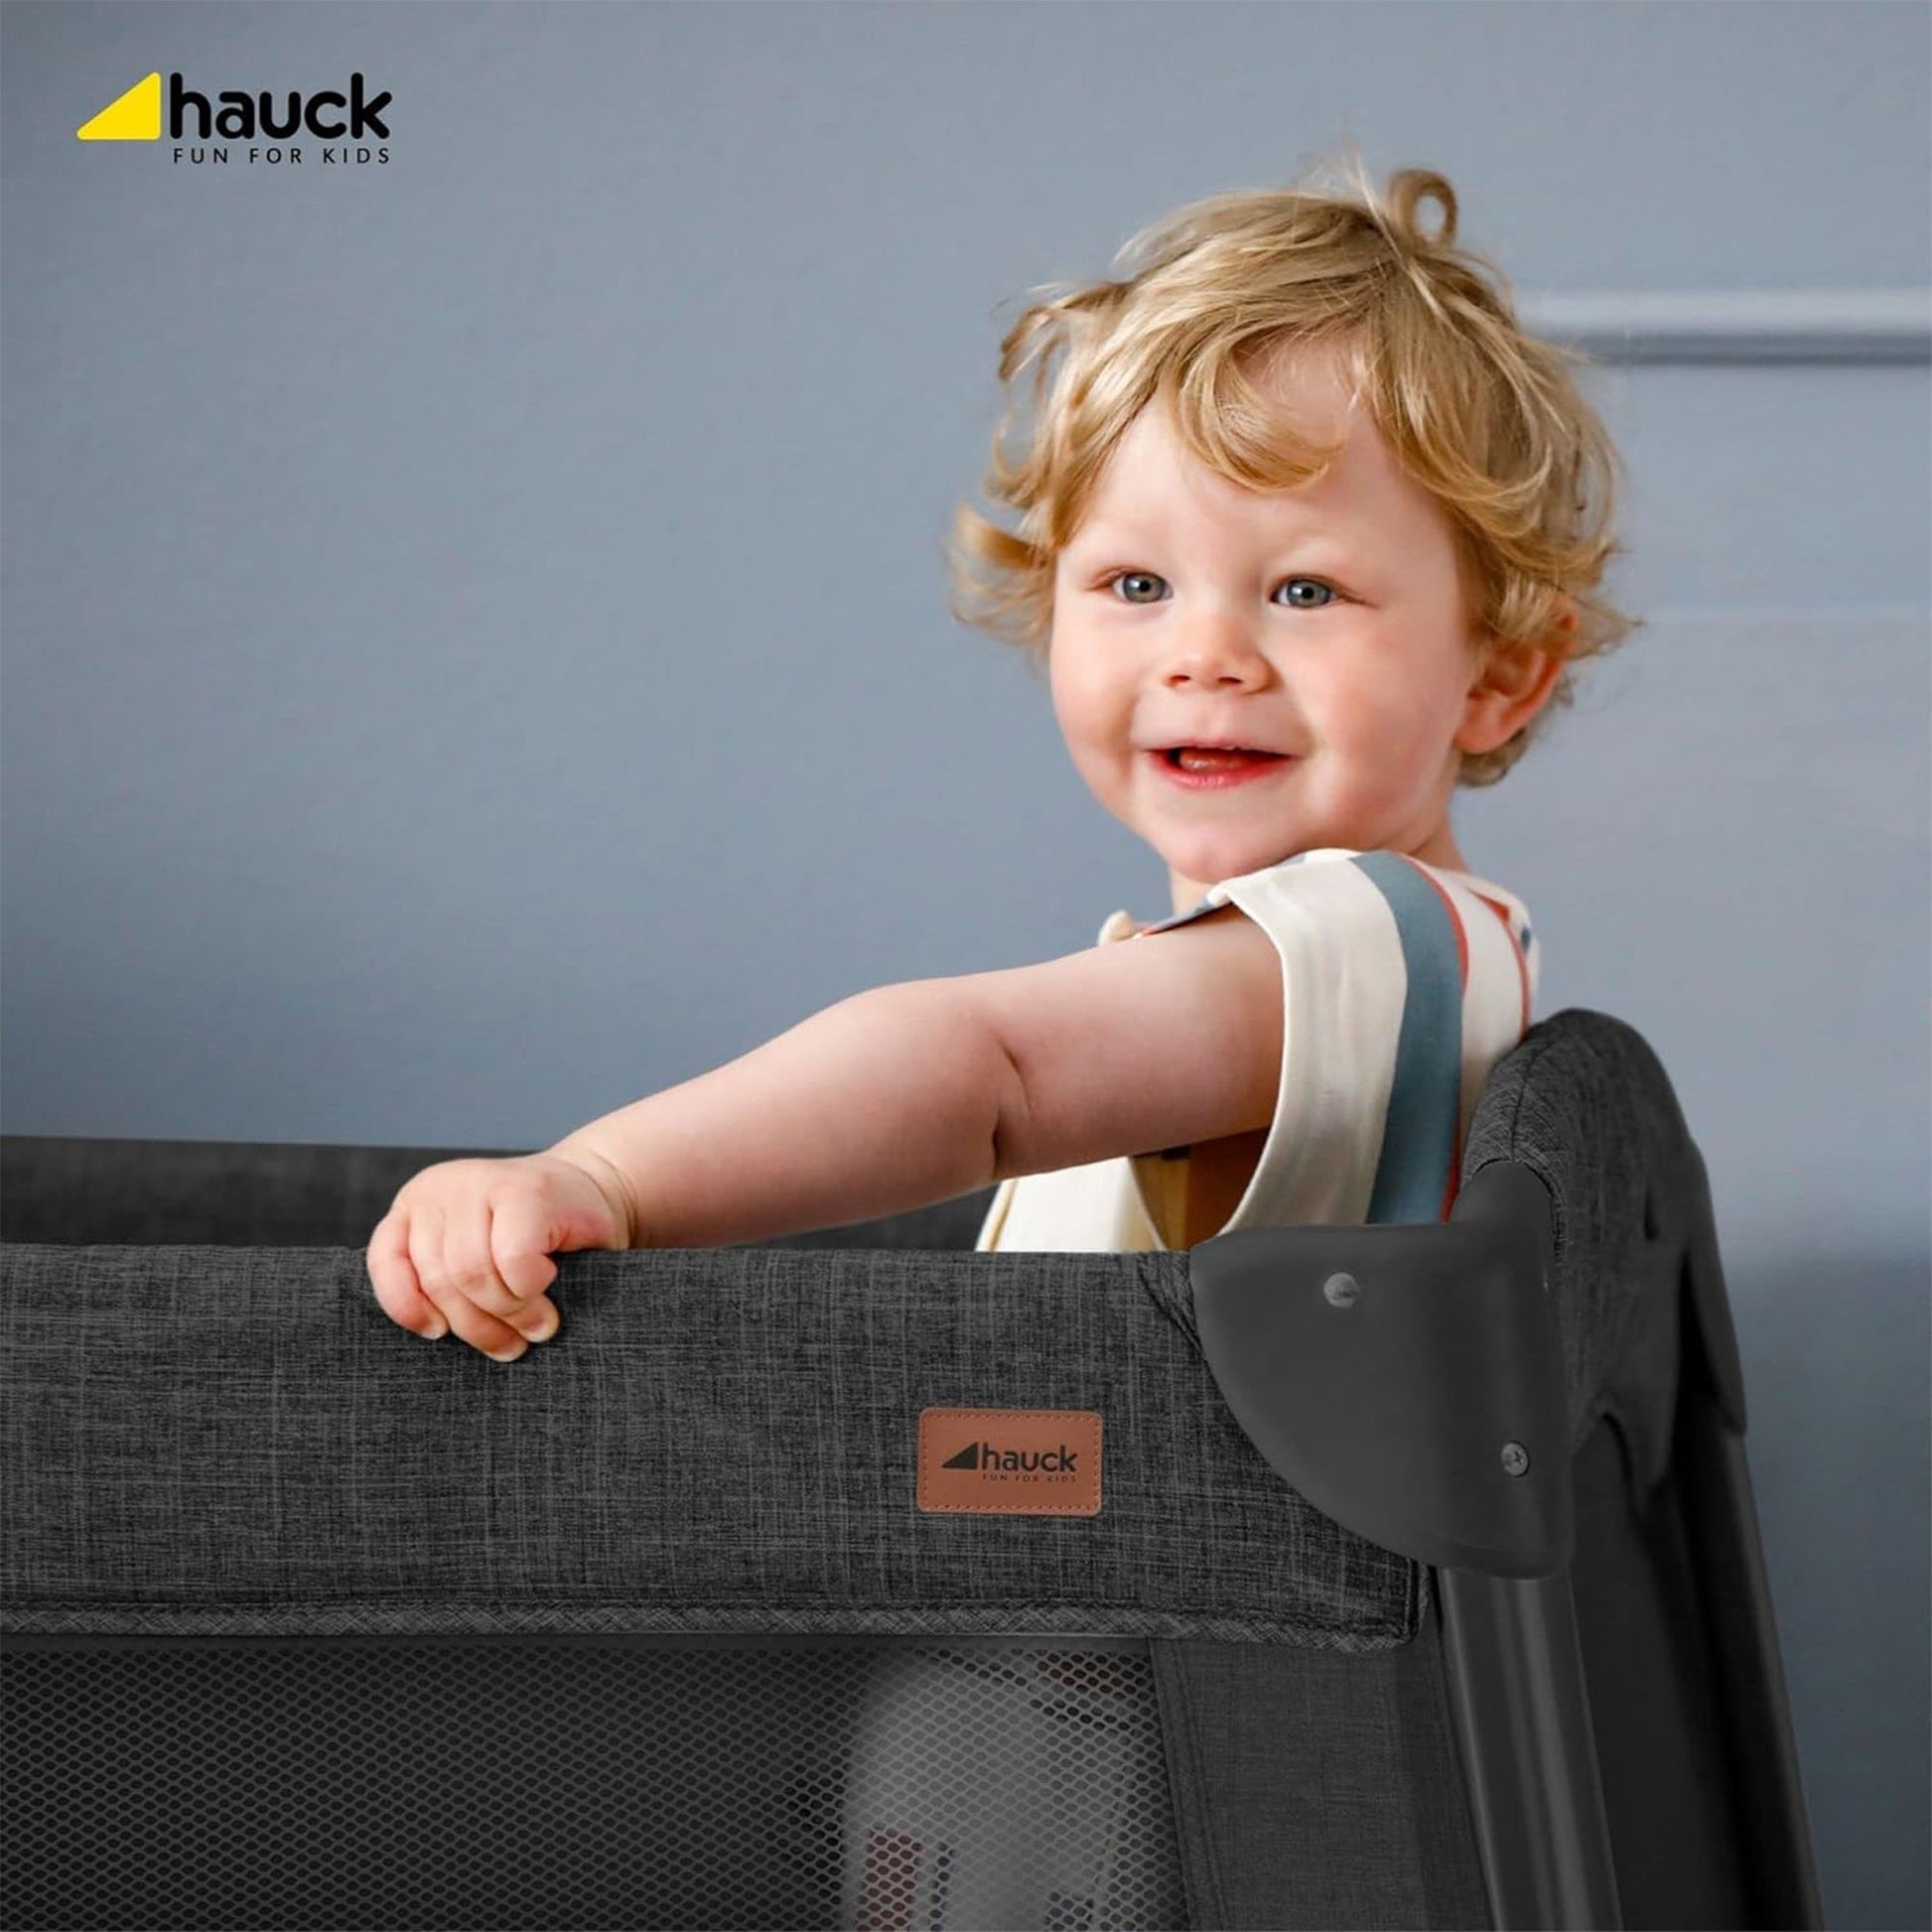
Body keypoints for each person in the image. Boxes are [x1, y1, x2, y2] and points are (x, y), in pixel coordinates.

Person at [365, 150, 1638, 1368]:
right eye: (1135, 582)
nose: (1204, 655)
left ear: (1497, 674)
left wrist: (602, 1177)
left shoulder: (1364, 941)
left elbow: (992, 1071)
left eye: (1304, 590)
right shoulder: (1453, 947)